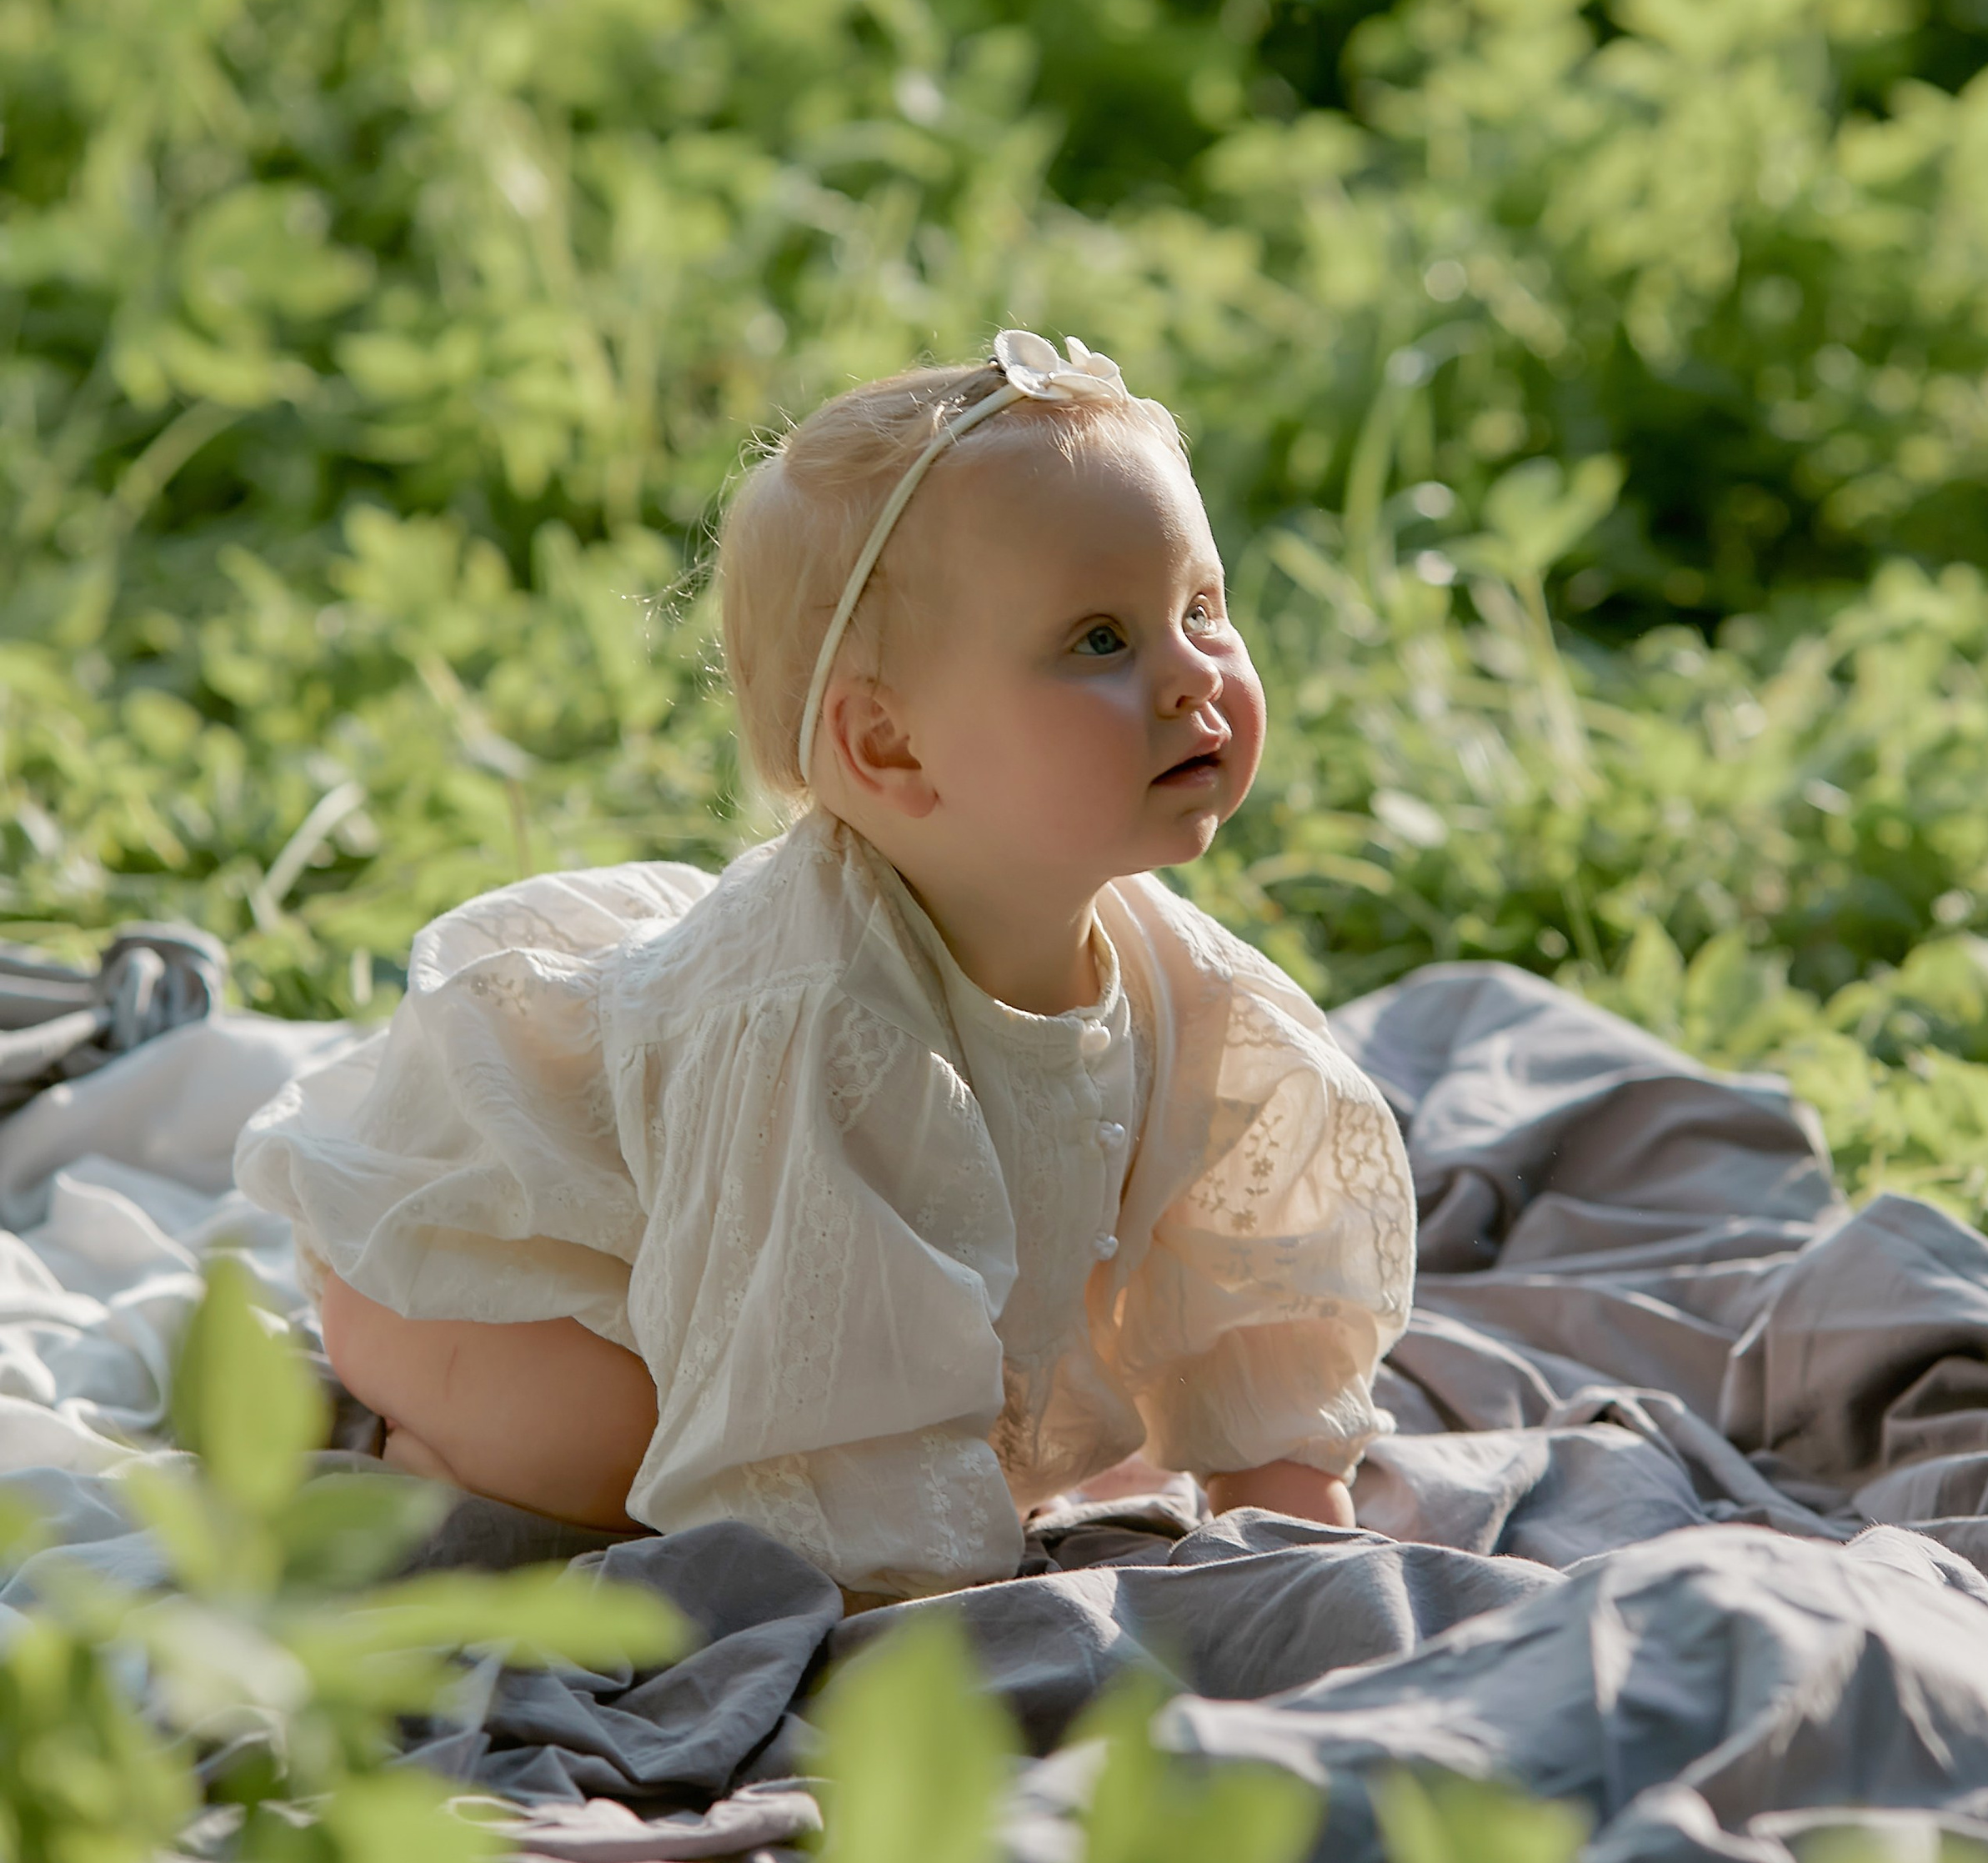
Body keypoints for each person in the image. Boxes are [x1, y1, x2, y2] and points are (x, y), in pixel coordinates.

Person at [236, 333, 1417, 1601]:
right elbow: (797, 1361)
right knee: (606, 1450)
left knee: (931, 1422)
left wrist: (1278, 1476)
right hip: (493, 1267)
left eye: (1200, 610)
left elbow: (1250, 1209)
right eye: (1098, 642)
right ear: (890, 746)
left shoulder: (1178, 979)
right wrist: (905, 1572)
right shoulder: (819, 1020)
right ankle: (428, 1448)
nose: (1194, 674)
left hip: (723, 1268)